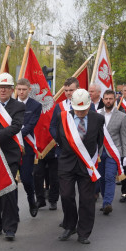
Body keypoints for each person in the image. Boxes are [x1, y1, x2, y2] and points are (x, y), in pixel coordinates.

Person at [54, 89, 105, 244]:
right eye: (78, 109)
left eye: (84, 109)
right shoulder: (62, 117)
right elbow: (59, 139)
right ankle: (70, 226)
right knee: (66, 195)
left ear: (89, 106)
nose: (81, 112)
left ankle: (84, 232)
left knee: (87, 199)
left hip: (87, 165)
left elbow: (100, 141)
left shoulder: (98, 119)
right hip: (67, 163)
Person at [0, 73, 24, 240]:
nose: (3, 90)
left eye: (6, 87)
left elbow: (16, 127)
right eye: (0, 87)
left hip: (9, 154)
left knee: (9, 191)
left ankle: (10, 227)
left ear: (11, 89)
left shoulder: (18, 106)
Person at [49, 76, 82, 231]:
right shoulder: (59, 106)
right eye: (66, 90)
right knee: (66, 192)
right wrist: (62, 140)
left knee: (83, 194)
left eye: (71, 90)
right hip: (64, 153)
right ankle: (69, 220)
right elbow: (52, 127)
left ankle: (82, 221)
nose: (68, 93)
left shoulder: (87, 105)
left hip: (83, 155)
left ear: (78, 89)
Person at [97, 89, 126, 215]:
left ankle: (107, 203)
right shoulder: (97, 114)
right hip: (99, 152)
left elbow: (125, 137)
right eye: (106, 99)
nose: (108, 101)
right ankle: (105, 198)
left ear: (114, 100)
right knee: (102, 178)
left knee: (110, 176)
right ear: (103, 100)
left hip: (114, 152)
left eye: (111, 98)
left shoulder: (122, 116)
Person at [14, 78, 42, 217]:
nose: (21, 92)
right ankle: (13, 210)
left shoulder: (35, 105)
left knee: (25, 178)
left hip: (27, 146)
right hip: (11, 147)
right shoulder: (11, 104)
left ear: (29, 90)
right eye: (19, 89)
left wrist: (13, 134)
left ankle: (31, 199)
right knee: (11, 180)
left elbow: (31, 125)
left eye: (24, 89)